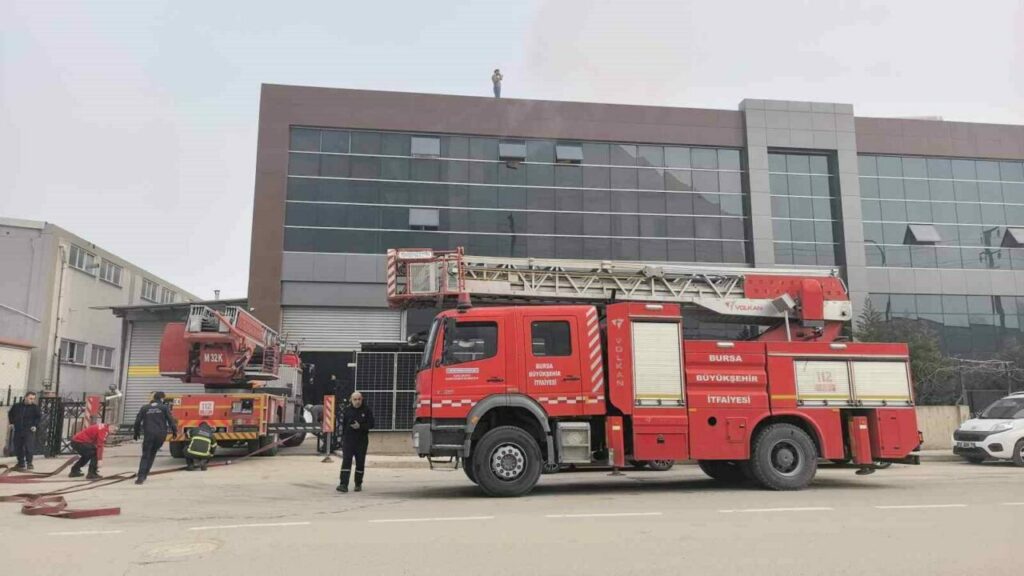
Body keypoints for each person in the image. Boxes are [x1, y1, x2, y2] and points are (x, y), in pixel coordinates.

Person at [132, 390, 178, 485]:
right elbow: (171, 420)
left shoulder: (144, 408)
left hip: (149, 434)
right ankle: (145, 474)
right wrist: (174, 431)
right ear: (162, 398)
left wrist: (136, 433)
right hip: (160, 435)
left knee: (146, 455)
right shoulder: (164, 407)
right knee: (152, 453)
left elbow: (137, 421)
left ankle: (141, 476)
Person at [336, 391, 374, 493]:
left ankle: (358, 483)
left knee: (360, 462)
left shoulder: (367, 410)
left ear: (362, 399)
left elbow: (371, 424)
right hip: (348, 440)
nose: (357, 401)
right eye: (355, 399)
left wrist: (360, 426)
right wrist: (342, 438)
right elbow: (342, 425)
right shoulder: (347, 410)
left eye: (359, 399)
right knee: (346, 461)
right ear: (351, 400)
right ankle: (343, 484)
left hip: (361, 441)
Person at [7, 392, 41, 471]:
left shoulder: (35, 408)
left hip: (28, 429)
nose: (32, 400)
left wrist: (35, 425)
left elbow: (38, 417)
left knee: (29, 447)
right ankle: (21, 463)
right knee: (18, 446)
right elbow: (10, 413)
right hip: (18, 429)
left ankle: (29, 463)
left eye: (33, 399)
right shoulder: (17, 406)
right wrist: (11, 423)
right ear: (25, 397)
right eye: (30, 398)